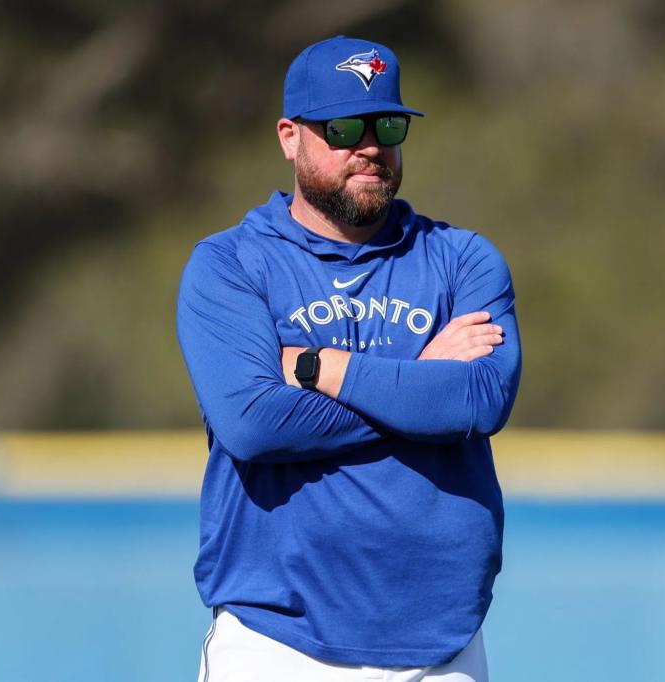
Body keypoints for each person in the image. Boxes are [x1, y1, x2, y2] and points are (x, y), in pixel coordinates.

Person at [176, 35, 521, 682]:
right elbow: (253, 423)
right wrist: (421, 382)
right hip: (278, 644)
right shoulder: (229, 266)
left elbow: (479, 400)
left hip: (443, 649)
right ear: (289, 136)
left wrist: (318, 369)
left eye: (387, 125)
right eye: (343, 127)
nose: (369, 146)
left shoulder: (463, 259)